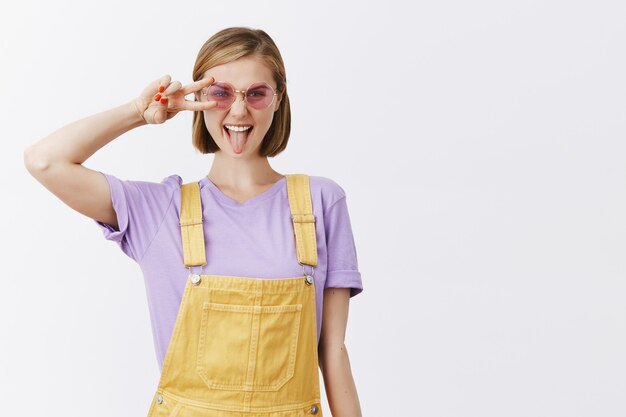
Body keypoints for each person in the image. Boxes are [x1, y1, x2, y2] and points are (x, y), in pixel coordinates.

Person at [24, 26, 363, 417]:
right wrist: (140, 112)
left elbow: (333, 351)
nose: (239, 111)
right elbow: (44, 161)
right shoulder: (158, 211)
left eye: (256, 93)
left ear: (278, 98)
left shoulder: (322, 201)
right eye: (220, 93)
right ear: (199, 99)